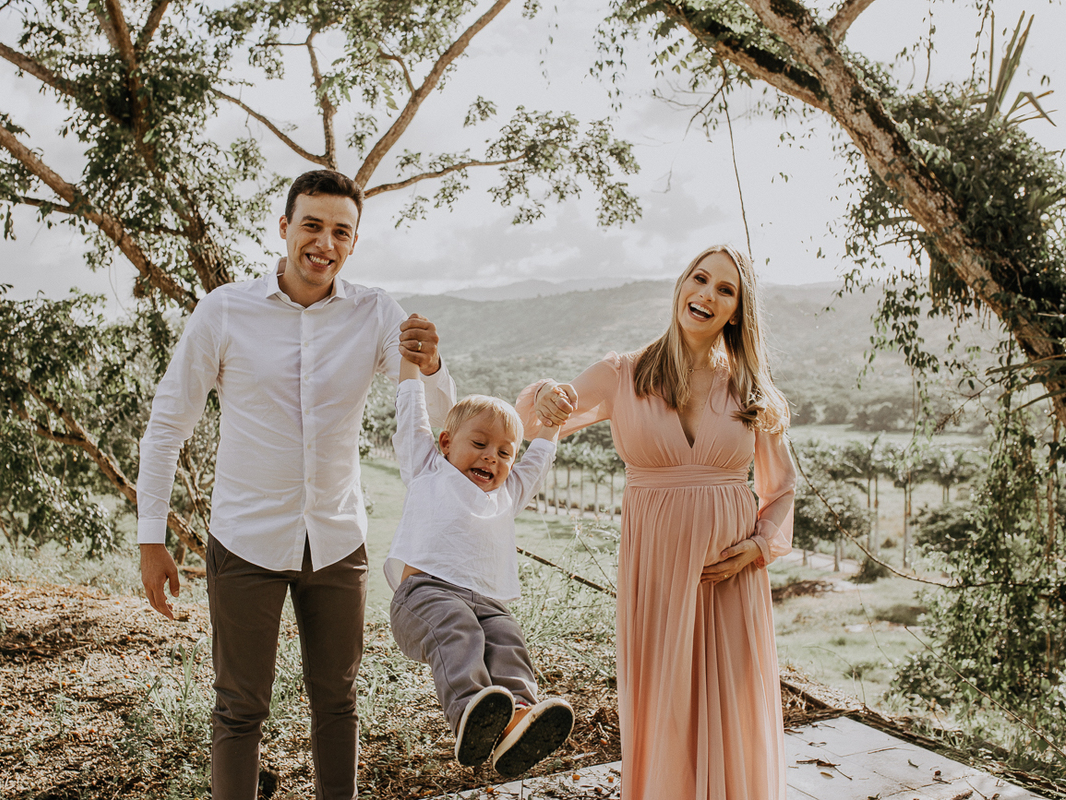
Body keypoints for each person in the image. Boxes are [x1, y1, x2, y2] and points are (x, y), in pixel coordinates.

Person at [136, 169, 456, 800]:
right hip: (245, 539)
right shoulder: (225, 310)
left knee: (337, 703)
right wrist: (152, 539)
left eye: (341, 231)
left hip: (337, 541)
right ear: (285, 229)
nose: (324, 243)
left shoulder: (376, 314)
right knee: (239, 707)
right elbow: (167, 425)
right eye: (311, 225)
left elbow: (439, 422)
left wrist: (435, 365)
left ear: (354, 243)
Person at [519, 244, 796, 800]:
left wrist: (760, 547)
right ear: (680, 285)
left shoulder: (752, 390)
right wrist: (544, 393)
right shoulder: (622, 374)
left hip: (732, 579)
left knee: (733, 709)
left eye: (725, 290)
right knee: (666, 708)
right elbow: (534, 421)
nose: (707, 295)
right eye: (700, 279)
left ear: (738, 311)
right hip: (657, 575)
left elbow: (782, 487)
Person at [384, 351, 575, 778]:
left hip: (486, 602)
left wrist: (554, 419)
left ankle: (516, 720)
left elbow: (539, 456)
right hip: (424, 596)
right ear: (447, 443)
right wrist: (410, 366)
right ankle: (470, 709)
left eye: (505, 452)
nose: (493, 457)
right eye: (480, 443)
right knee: (459, 627)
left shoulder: (508, 495)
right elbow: (411, 417)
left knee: (507, 639)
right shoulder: (427, 468)